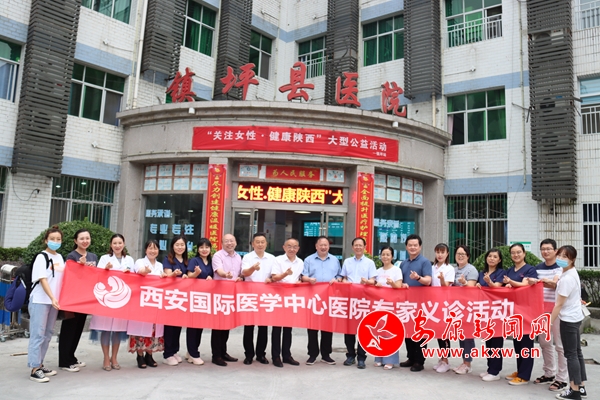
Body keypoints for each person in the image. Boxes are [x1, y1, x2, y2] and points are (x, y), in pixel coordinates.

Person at [89, 234, 134, 371]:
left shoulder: (129, 259)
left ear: (124, 244)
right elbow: (98, 276)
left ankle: (114, 357)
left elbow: (135, 279)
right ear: (111, 245)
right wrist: (106, 269)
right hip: (107, 300)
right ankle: (106, 358)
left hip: (122, 300)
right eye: (115, 243)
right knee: (106, 329)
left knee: (117, 330)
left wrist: (129, 273)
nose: (117, 246)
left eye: (120, 243)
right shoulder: (104, 258)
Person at [528, 239, 568, 392]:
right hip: (541, 310)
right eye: (543, 249)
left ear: (555, 251)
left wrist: (539, 281)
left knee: (560, 345)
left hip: (557, 310)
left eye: (549, 249)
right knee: (544, 343)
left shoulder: (561, 267)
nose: (545, 251)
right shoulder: (538, 268)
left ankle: (562, 378)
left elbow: (555, 285)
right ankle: (549, 373)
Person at [27, 226, 65, 383]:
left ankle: (40, 364)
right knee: (38, 334)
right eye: (52, 239)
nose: (55, 241)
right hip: (40, 300)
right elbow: (43, 279)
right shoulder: (41, 257)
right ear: (46, 240)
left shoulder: (60, 257)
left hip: (54, 302)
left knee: (48, 334)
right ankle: (34, 369)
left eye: (58, 239)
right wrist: (52, 297)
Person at [58, 229, 98, 373]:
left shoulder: (93, 256)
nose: (85, 241)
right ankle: (64, 361)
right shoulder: (71, 256)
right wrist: (80, 266)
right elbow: (70, 276)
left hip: (85, 299)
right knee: (69, 329)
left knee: (78, 329)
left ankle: (71, 357)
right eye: (81, 238)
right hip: (73, 299)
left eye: (87, 238)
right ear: (75, 241)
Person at [551, 245, 588, 400]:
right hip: (575, 317)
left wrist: (549, 323)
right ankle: (581, 387)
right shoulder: (570, 272)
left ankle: (574, 391)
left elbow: (559, 304)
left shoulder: (567, 278)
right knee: (577, 353)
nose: (560, 259)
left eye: (565, 256)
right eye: (559, 255)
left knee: (571, 355)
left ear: (572, 259)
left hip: (568, 320)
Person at [301, 236, 341, 366]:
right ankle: (312, 354)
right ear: (316, 246)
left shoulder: (335, 260)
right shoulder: (308, 260)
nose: (323, 247)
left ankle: (326, 354)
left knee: (327, 327)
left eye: (326, 245)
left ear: (328, 246)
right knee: (312, 327)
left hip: (329, 298)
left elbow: (339, 276)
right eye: (321, 245)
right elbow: (303, 276)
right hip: (313, 298)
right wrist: (308, 279)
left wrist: (337, 280)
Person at [503, 243, 538, 385]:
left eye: (518, 252)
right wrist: (508, 285)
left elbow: (525, 285)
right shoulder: (510, 270)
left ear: (524, 253)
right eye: (513, 252)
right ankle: (520, 370)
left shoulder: (530, 269)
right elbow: (507, 286)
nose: (516, 255)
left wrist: (510, 282)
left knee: (526, 343)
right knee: (517, 343)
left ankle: (524, 376)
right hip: (514, 311)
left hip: (527, 311)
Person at [340, 237, 377, 369]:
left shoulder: (370, 263)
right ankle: (350, 355)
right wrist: (345, 282)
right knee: (349, 329)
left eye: (360, 245)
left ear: (365, 247)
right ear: (352, 247)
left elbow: (373, 280)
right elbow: (343, 278)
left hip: (363, 300)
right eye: (356, 245)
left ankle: (361, 357)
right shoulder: (347, 261)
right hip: (349, 299)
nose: (358, 247)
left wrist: (366, 282)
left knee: (363, 329)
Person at [127, 239, 164, 369]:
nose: (152, 251)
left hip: (155, 301)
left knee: (153, 329)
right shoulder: (140, 262)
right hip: (141, 301)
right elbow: (140, 271)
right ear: (145, 250)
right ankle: (140, 355)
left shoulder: (160, 265)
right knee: (140, 328)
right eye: (150, 248)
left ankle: (149, 354)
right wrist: (146, 271)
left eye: (155, 248)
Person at [398, 234, 432, 372]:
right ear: (406, 247)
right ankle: (411, 357)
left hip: (421, 303)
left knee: (420, 331)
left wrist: (418, 278)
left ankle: (419, 361)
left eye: (415, 245)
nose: (412, 247)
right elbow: (400, 281)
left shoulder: (425, 262)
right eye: (410, 245)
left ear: (420, 247)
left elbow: (428, 281)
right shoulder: (403, 263)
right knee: (408, 331)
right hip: (407, 303)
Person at [241, 232, 275, 365]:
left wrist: (271, 279)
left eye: (262, 242)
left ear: (266, 244)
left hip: (265, 296)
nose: (260, 244)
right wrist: (253, 268)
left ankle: (261, 354)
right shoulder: (247, 257)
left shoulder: (272, 258)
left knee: (263, 327)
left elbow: (275, 275)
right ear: (252, 244)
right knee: (249, 327)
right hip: (250, 295)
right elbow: (244, 273)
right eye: (257, 242)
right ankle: (249, 355)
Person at [271, 237, 304, 368]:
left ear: (298, 249)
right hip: (278, 297)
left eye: (294, 247)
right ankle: (275, 356)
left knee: (288, 329)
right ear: (284, 247)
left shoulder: (300, 262)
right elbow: (274, 277)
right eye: (289, 246)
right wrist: (285, 274)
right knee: (277, 328)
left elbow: (300, 278)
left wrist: (300, 282)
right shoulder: (278, 260)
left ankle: (286, 355)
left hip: (291, 298)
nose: (292, 249)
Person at [211, 233, 242, 366]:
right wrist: (226, 275)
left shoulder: (238, 257)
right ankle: (216, 355)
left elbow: (240, 273)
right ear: (222, 243)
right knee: (218, 326)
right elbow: (219, 271)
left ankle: (223, 352)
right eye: (226, 241)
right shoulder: (218, 255)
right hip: (220, 294)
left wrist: (240, 277)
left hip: (232, 295)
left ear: (236, 242)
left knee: (227, 325)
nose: (229, 243)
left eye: (231, 241)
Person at [476, 248, 506, 382]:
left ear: (499, 260)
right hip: (485, 310)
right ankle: (490, 368)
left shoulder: (501, 272)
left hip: (497, 311)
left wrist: (488, 282)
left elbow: (497, 287)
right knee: (488, 340)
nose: (492, 259)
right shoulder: (482, 273)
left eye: (495, 257)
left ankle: (495, 371)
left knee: (496, 342)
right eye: (490, 256)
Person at [373, 245, 403, 370]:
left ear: (392, 256)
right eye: (383, 254)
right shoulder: (378, 271)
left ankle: (390, 360)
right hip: (379, 304)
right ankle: (379, 357)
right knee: (378, 331)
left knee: (390, 332)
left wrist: (392, 283)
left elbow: (399, 286)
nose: (385, 257)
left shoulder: (396, 270)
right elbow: (373, 285)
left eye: (388, 254)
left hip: (392, 304)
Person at [161, 235, 190, 366]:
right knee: (169, 326)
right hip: (171, 297)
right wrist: (174, 274)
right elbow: (167, 275)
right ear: (172, 246)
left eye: (182, 245)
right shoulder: (168, 260)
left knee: (178, 325)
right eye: (177, 245)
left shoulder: (187, 261)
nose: (180, 247)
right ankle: (167, 354)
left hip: (182, 297)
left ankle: (174, 351)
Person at [186, 237, 214, 365]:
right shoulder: (194, 261)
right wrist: (196, 273)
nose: (204, 250)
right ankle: (194, 353)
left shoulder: (211, 261)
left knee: (199, 326)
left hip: (205, 298)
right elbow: (189, 276)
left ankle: (191, 351)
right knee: (192, 325)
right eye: (201, 247)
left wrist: (210, 278)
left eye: (207, 247)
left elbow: (213, 276)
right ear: (198, 249)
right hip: (194, 297)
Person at [452, 245, 478, 375]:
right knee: (461, 335)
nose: (460, 256)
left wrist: (464, 282)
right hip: (457, 307)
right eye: (458, 254)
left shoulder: (471, 269)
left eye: (463, 254)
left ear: (468, 256)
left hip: (468, 307)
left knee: (468, 335)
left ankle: (468, 363)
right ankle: (464, 362)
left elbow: (471, 287)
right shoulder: (454, 269)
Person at [430, 243, 455, 373]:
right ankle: (441, 358)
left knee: (444, 333)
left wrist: (442, 279)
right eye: (438, 252)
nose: (440, 255)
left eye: (442, 252)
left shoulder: (449, 268)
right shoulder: (432, 267)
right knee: (438, 332)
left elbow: (446, 287)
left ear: (447, 254)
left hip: (444, 304)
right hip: (433, 304)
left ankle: (446, 361)